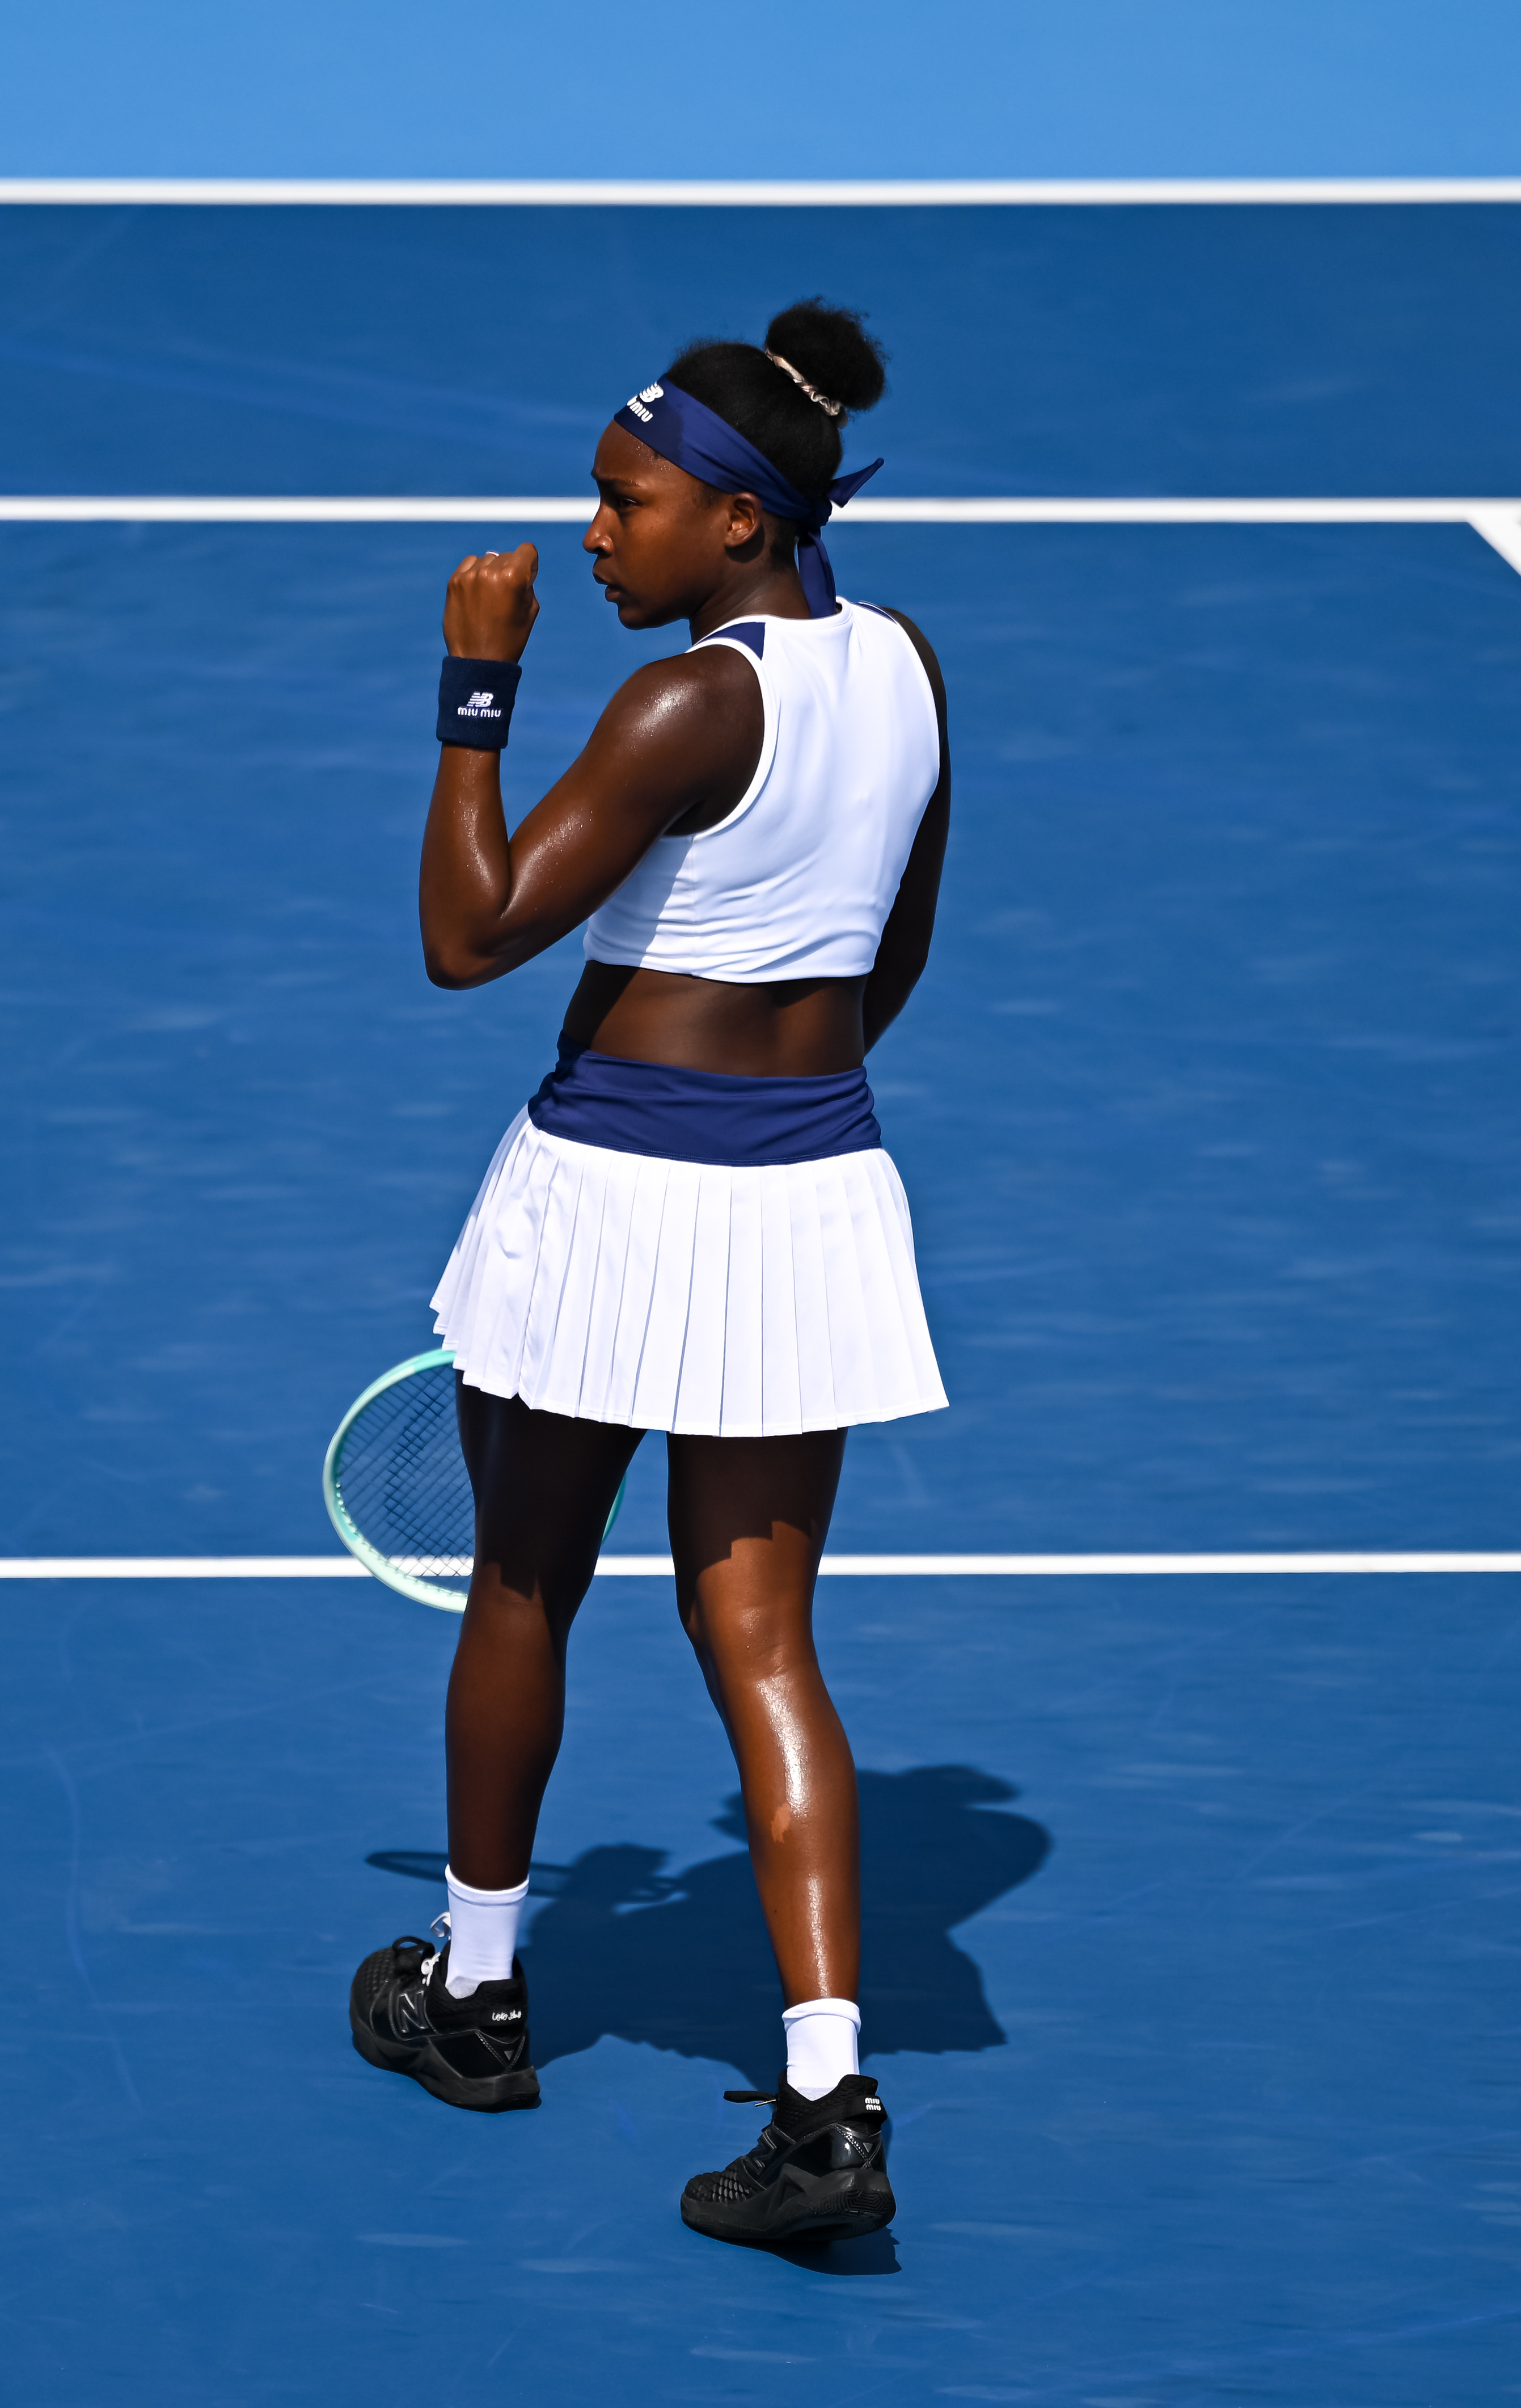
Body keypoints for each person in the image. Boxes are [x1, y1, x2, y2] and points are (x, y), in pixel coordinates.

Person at [347, 301, 952, 2246]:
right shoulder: (911, 668)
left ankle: (479, 1987)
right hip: (812, 1199)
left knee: (527, 1567)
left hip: (615, 1195)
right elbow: (892, 960)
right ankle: (827, 2105)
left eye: (628, 502)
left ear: (743, 526)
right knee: (765, 1644)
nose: (593, 531)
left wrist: (471, 683)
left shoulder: (689, 702)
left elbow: (471, 931)